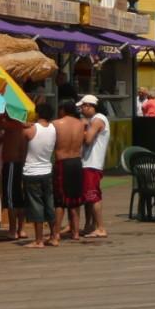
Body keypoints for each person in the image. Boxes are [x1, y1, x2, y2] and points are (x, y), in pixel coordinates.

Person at [22, 102, 58, 248]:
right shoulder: (53, 129)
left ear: (37, 114)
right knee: (49, 204)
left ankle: (39, 240)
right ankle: (54, 237)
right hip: (47, 171)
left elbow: (21, 137)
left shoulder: (31, 130)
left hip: (32, 172)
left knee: (36, 205)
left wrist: (23, 124)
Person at [52, 101, 86, 241]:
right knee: (75, 200)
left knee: (60, 200)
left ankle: (56, 232)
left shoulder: (56, 124)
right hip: (77, 162)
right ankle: (76, 232)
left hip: (62, 162)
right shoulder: (81, 124)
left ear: (63, 110)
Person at [0, 112, 28, 241]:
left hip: (12, 164)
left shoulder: (12, 124)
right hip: (20, 164)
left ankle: (13, 230)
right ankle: (21, 229)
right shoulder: (19, 126)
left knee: (11, 198)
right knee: (19, 197)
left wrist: (2, 112)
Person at [79, 95, 110, 239]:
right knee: (88, 196)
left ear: (91, 106)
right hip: (89, 163)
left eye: (83, 106)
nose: (81, 109)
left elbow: (88, 139)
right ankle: (89, 225)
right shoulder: (94, 119)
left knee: (93, 196)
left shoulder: (98, 119)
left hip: (92, 163)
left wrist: (83, 128)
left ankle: (100, 227)